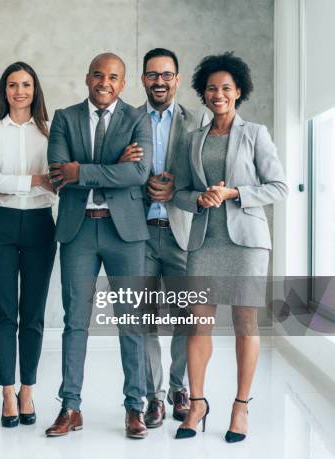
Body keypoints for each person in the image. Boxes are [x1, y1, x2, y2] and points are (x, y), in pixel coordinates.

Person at [172, 52, 287, 442]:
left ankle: (240, 406)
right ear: (203, 95)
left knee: (245, 323)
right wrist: (199, 199)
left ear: (238, 92)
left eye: (225, 88)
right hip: (205, 241)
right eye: (211, 88)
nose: (218, 94)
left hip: (247, 244)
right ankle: (198, 403)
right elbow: (180, 193)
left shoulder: (256, 134)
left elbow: (279, 187)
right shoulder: (191, 141)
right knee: (197, 324)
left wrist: (235, 192)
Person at [45, 52, 153, 439]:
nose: (104, 82)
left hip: (125, 233)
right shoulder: (64, 117)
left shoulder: (138, 118)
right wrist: (114, 165)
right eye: (97, 75)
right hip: (78, 232)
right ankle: (70, 407)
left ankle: (134, 408)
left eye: (113, 77)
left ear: (123, 83)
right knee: (75, 322)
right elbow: (60, 175)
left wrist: (85, 170)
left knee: (132, 323)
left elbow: (139, 173)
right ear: (87, 78)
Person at [0, 62, 57, 428]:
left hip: (42, 225)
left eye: (26, 84)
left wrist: (21, 182)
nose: (20, 91)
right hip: (1, 225)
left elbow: (55, 180)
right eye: (13, 85)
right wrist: (35, 180)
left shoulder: (50, 131)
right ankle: (7, 392)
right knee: (4, 313)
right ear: (4, 91)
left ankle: (28, 388)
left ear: (35, 89)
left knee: (34, 314)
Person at [135, 48, 207, 428]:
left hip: (182, 232)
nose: (159, 81)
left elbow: (204, 177)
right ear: (143, 79)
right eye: (152, 74)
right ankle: (154, 397)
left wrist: (176, 186)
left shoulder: (197, 123)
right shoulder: (128, 121)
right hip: (139, 234)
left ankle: (180, 388)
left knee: (187, 316)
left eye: (166, 74)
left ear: (177, 80)